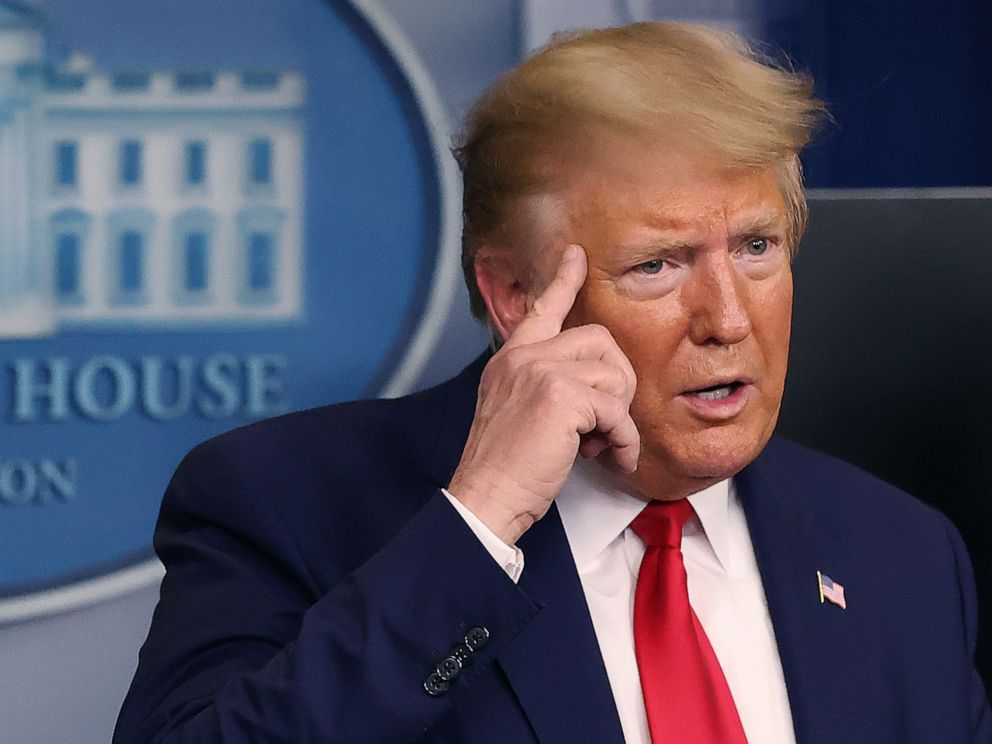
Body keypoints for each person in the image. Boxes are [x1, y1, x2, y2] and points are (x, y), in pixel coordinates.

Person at [115, 22, 991, 743]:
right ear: (516, 296)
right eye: (657, 264)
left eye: (757, 247)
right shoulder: (286, 503)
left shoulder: (902, 555)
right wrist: (482, 516)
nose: (727, 317)